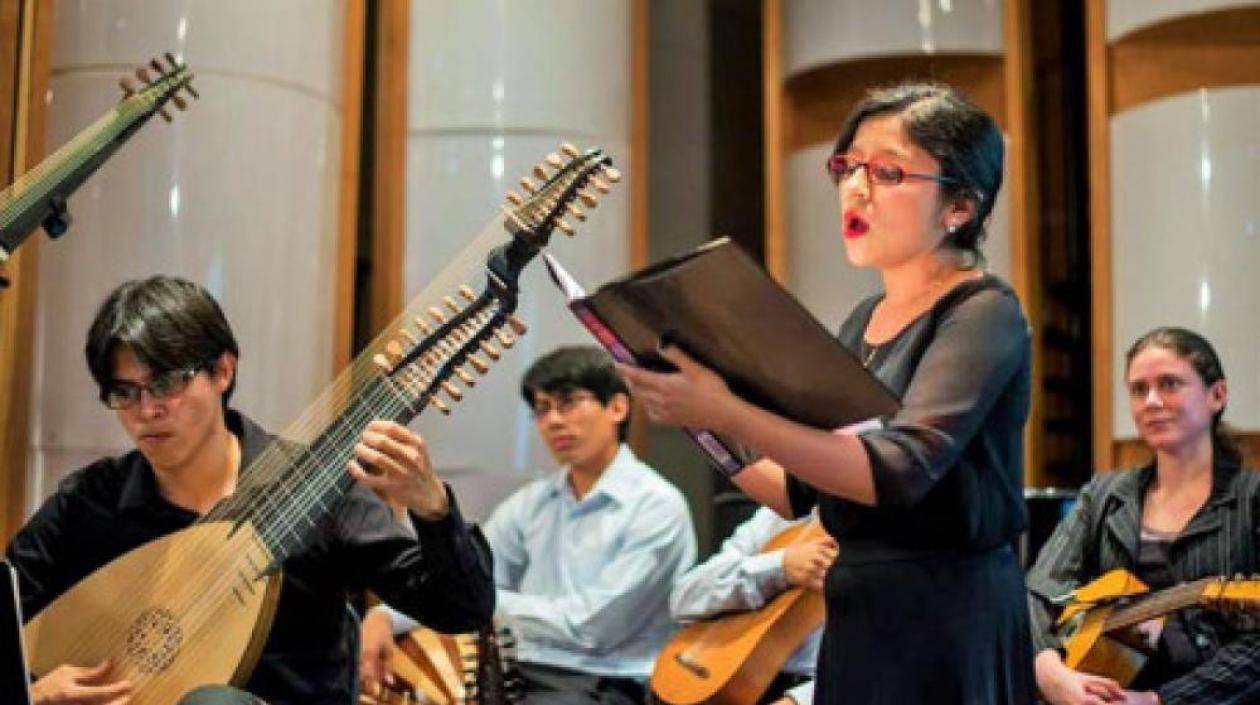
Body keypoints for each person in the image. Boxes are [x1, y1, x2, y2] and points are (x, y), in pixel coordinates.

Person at [618, 82, 1034, 704]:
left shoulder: (983, 312)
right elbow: (794, 489)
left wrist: (724, 408)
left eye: (888, 171)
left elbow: (898, 469)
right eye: (847, 166)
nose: (856, 188)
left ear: (959, 208)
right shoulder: (862, 319)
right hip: (859, 615)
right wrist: (690, 408)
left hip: (949, 618)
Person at [5, 275, 495, 705]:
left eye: (165, 384)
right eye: (124, 392)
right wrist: (31, 690)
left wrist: (432, 508)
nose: (146, 409)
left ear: (223, 370)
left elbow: (463, 608)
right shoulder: (90, 502)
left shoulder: (315, 491)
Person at [364, 345, 696, 704]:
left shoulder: (657, 506)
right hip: (522, 667)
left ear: (617, 407)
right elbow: (470, 577)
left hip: (606, 679)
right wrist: (384, 617)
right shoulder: (534, 502)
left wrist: (489, 605)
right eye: (541, 408)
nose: (553, 420)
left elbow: (592, 629)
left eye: (568, 402)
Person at [1028, 327, 1260, 705]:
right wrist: (1051, 672)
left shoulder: (1252, 500)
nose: (1151, 401)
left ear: (1217, 395)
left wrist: (1159, 700)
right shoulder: (1103, 496)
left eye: (1169, 384)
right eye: (1139, 389)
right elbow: (1040, 591)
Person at [668, 506, 832, 705]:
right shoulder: (781, 514)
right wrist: (779, 567)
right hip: (715, 675)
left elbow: (873, 667)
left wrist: (798, 700)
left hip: (814, 689)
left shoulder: (876, 541)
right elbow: (684, 599)